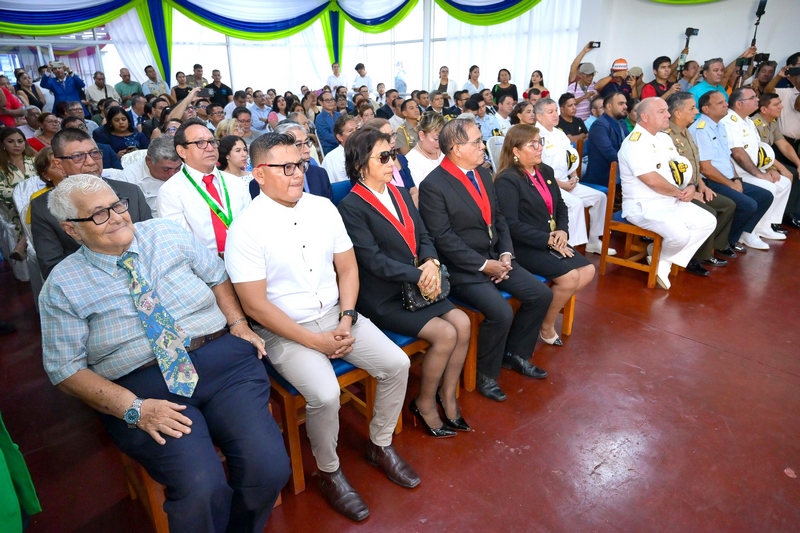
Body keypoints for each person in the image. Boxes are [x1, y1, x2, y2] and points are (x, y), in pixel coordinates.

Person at [40, 173, 289, 532]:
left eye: (117, 206)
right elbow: (64, 369)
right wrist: (134, 408)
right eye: (99, 214)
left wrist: (238, 323)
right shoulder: (62, 285)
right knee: (200, 485)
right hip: (144, 388)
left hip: (222, 363)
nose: (117, 218)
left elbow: (216, 275)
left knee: (269, 467)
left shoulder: (166, 233)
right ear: (71, 229)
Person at [225, 132, 417, 522]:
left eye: (300, 164)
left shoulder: (323, 207)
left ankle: (379, 444)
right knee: (326, 395)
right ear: (259, 174)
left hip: (336, 314)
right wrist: (315, 342)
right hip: (284, 328)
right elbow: (255, 305)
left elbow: (348, 268)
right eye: (286, 168)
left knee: (397, 364)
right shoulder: (245, 228)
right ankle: (329, 472)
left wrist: (346, 317)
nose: (298, 174)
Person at [337, 126, 470, 438]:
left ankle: (447, 395)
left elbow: (424, 234)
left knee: (463, 323)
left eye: (392, 154)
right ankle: (424, 403)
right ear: (359, 165)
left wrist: (431, 262)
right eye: (383, 157)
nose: (392, 162)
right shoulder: (351, 207)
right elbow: (373, 260)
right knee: (446, 334)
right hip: (385, 296)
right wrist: (420, 274)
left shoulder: (398, 192)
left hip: (420, 285)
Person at [418, 118, 553, 401]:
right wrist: (483, 265)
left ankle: (514, 353)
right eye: (477, 142)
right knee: (501, 312)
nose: (483, 146)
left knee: (540, 294)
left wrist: (505, 253)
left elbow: (498, 218)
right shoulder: (434, 185)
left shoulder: (482, 172)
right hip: (463, 268)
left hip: (495, 257)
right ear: (456, 149)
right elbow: (443, 238)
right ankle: (485, 373)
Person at [494, 125, 595, 345]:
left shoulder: (545, 171)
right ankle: (546, 325)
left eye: (539, 142)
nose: (539, 147)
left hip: (549, 240)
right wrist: (547, 239)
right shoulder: (508, 180)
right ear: (516, 151)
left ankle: (538, 317)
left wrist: (562, 230)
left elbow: (560, 206)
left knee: (588, 270)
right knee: (570, 278)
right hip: (524, 245)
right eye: (532, 144)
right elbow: (510, 224)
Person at [618, 98, 716, 289]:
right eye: (661, 111)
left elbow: (681, 166)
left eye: (666, 111)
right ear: (645, 116)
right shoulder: (634, 143)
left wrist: (691, 186)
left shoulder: (663, 138)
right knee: (680, 235)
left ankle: (662, 260)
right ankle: (661, 259)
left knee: (707, 222)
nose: (668, 115)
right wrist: (680, 193)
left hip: (670, 200)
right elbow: (652, 180)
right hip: (643, 206)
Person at [30, 128, 151, 278]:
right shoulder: (43, 208)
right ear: (59, 164)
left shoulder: (131, 192)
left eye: (95, 153)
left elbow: (150, 242)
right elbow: (52, 267)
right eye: (78, 157)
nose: (91, 162)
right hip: (89, 282)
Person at [689, 91, 774, 252]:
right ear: (706, 109)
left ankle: (734, 237)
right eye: (720, 103)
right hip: (712, 181)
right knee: (748, 205)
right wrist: (731, 184)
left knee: (765, 196)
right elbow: (706, 169)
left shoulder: (720, 126)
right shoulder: (701, 129)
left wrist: (737, 180)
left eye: (725, 101)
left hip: (728, 178)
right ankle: (723, 243)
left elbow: (727, 158)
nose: (726, 105)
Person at [665, 92, 738, 274]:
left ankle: (710, 248)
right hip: (679, 192)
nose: (696, 112)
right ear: (678, 113)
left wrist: (702, 185)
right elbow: (672, 172)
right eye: (692, 108)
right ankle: (693, 257)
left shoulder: (686, 131)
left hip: (695, 185)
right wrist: (692, 190)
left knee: (727, 205)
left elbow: (693, 165)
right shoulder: (667, 136)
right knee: (710, 212)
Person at [156, 118, 251, 256]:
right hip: (201, 267)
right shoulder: (170, 192)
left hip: (245, 259)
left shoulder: (236, 183)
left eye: (212, 142)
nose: (210, 148)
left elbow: (251, 228)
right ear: (182, 151)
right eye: (200, 143)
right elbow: (181, 245)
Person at [535, 98, 611, 254]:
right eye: (550, 112)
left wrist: (574, 177)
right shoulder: (535, 136)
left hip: (567, 182)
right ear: (539, 116)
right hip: (548, 185)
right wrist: (561, 184)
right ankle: (571, 247)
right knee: (575, 204)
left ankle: (593, 241)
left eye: (556, 111)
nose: (555, 115)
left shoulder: (560, 133)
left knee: (600, 197)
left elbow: (572, 158)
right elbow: (538, 169)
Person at [720, 87, 791, 241]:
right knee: (770, 187)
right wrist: (760, 174)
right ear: (739, 104)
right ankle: (747, 232)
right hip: (739, 173)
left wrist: (769, 168)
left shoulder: (748, 121)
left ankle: (764, 227)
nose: (757, 99)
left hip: (753, 169)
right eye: (752, 98)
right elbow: (737, 153)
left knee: (784, 182)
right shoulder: (729, 121)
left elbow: (759, 149)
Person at [753, 92, 800, 229]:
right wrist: (779, 169)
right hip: (756, 165)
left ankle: (788, 214)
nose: (781, 107)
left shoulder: (772, 123)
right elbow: (759, 152)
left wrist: (799, 163)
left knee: (795, 172)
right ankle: (775, 219)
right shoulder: (755, 123)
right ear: (764, 109)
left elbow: (784, 145)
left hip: (766, 162)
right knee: (787, 175)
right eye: (776, 104)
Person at [255, 120, 333, 201]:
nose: (307, 150)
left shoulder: (320, 174)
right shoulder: (263, 182)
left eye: (306, 143)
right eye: (298, 145)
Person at [116, 135, 182, 215]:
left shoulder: (187, 168)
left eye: (178, 168)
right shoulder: (129, 178)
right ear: (148, 160)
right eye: (166, 169)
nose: (173, 174)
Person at [1, 128, 37, 261]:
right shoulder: (1, 165)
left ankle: (21, 246)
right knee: (35, 209)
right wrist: (23, 195)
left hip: (38, 200)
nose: (16, 145)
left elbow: (46, 179)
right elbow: (1, 190)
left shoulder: (34, 160)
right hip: (14, 207)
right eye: (11, 141)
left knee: (37, 207)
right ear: (2, 144)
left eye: (20, 141)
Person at [583, 93, 628, 186]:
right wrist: (631, 162)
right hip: (605, 177)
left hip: (622, 171)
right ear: (609, 106)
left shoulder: (621, 123)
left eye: (625, 103)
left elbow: (629, 145)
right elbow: (610, 153)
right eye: (621, 104)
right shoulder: (599, 126)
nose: (625, 107)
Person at [406, 111, 446, 188]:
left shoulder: (445, 151)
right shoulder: (411, 161)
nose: (440, 142)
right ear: (422, 135)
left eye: (442, 138)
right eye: (436, 139)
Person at [321, 115, 357, 183]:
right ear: (340, 137)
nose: (356, 133)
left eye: (357, 129)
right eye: (350, 131)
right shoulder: (330, 159)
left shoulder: (366, 152)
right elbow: (329, 185)